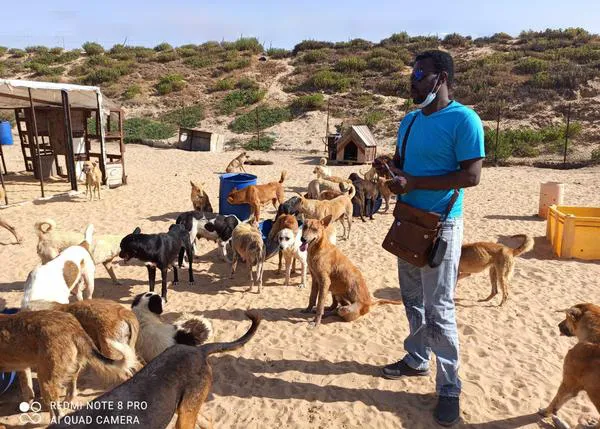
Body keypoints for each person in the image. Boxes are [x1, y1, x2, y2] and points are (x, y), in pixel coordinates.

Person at [376, 50, 485, 426]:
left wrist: (417, 182)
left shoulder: (465, 120)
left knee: (440, 308)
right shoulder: (407, 121)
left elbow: (471, 176)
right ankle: (417, 358)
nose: (413, 81)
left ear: (441, 77)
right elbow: (403, 165)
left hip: (441, 225)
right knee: (411, 299)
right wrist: (390, 170)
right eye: (412, 74)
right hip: (407, 222)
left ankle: (450, 387)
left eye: (420, 74)